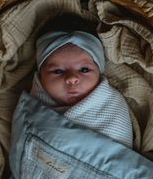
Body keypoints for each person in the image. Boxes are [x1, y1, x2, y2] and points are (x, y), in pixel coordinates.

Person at [30, 13, 133, 148]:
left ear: (99, 72)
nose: (72, 78)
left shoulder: (111, 104)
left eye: (84, 70)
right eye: (58, 71)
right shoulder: (32, 107)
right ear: (41, 76)